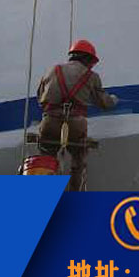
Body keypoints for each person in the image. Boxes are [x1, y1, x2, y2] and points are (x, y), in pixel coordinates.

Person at [36, 39, 117, 190]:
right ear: (88, 59)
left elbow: (40, 97)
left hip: (50, 122)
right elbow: (103, 103)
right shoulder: (91, 76)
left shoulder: (53, 70)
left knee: (47, 155)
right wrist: (113, 100)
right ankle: (75, 191)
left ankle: (45, 190)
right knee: (78, 158)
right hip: (76, 125)